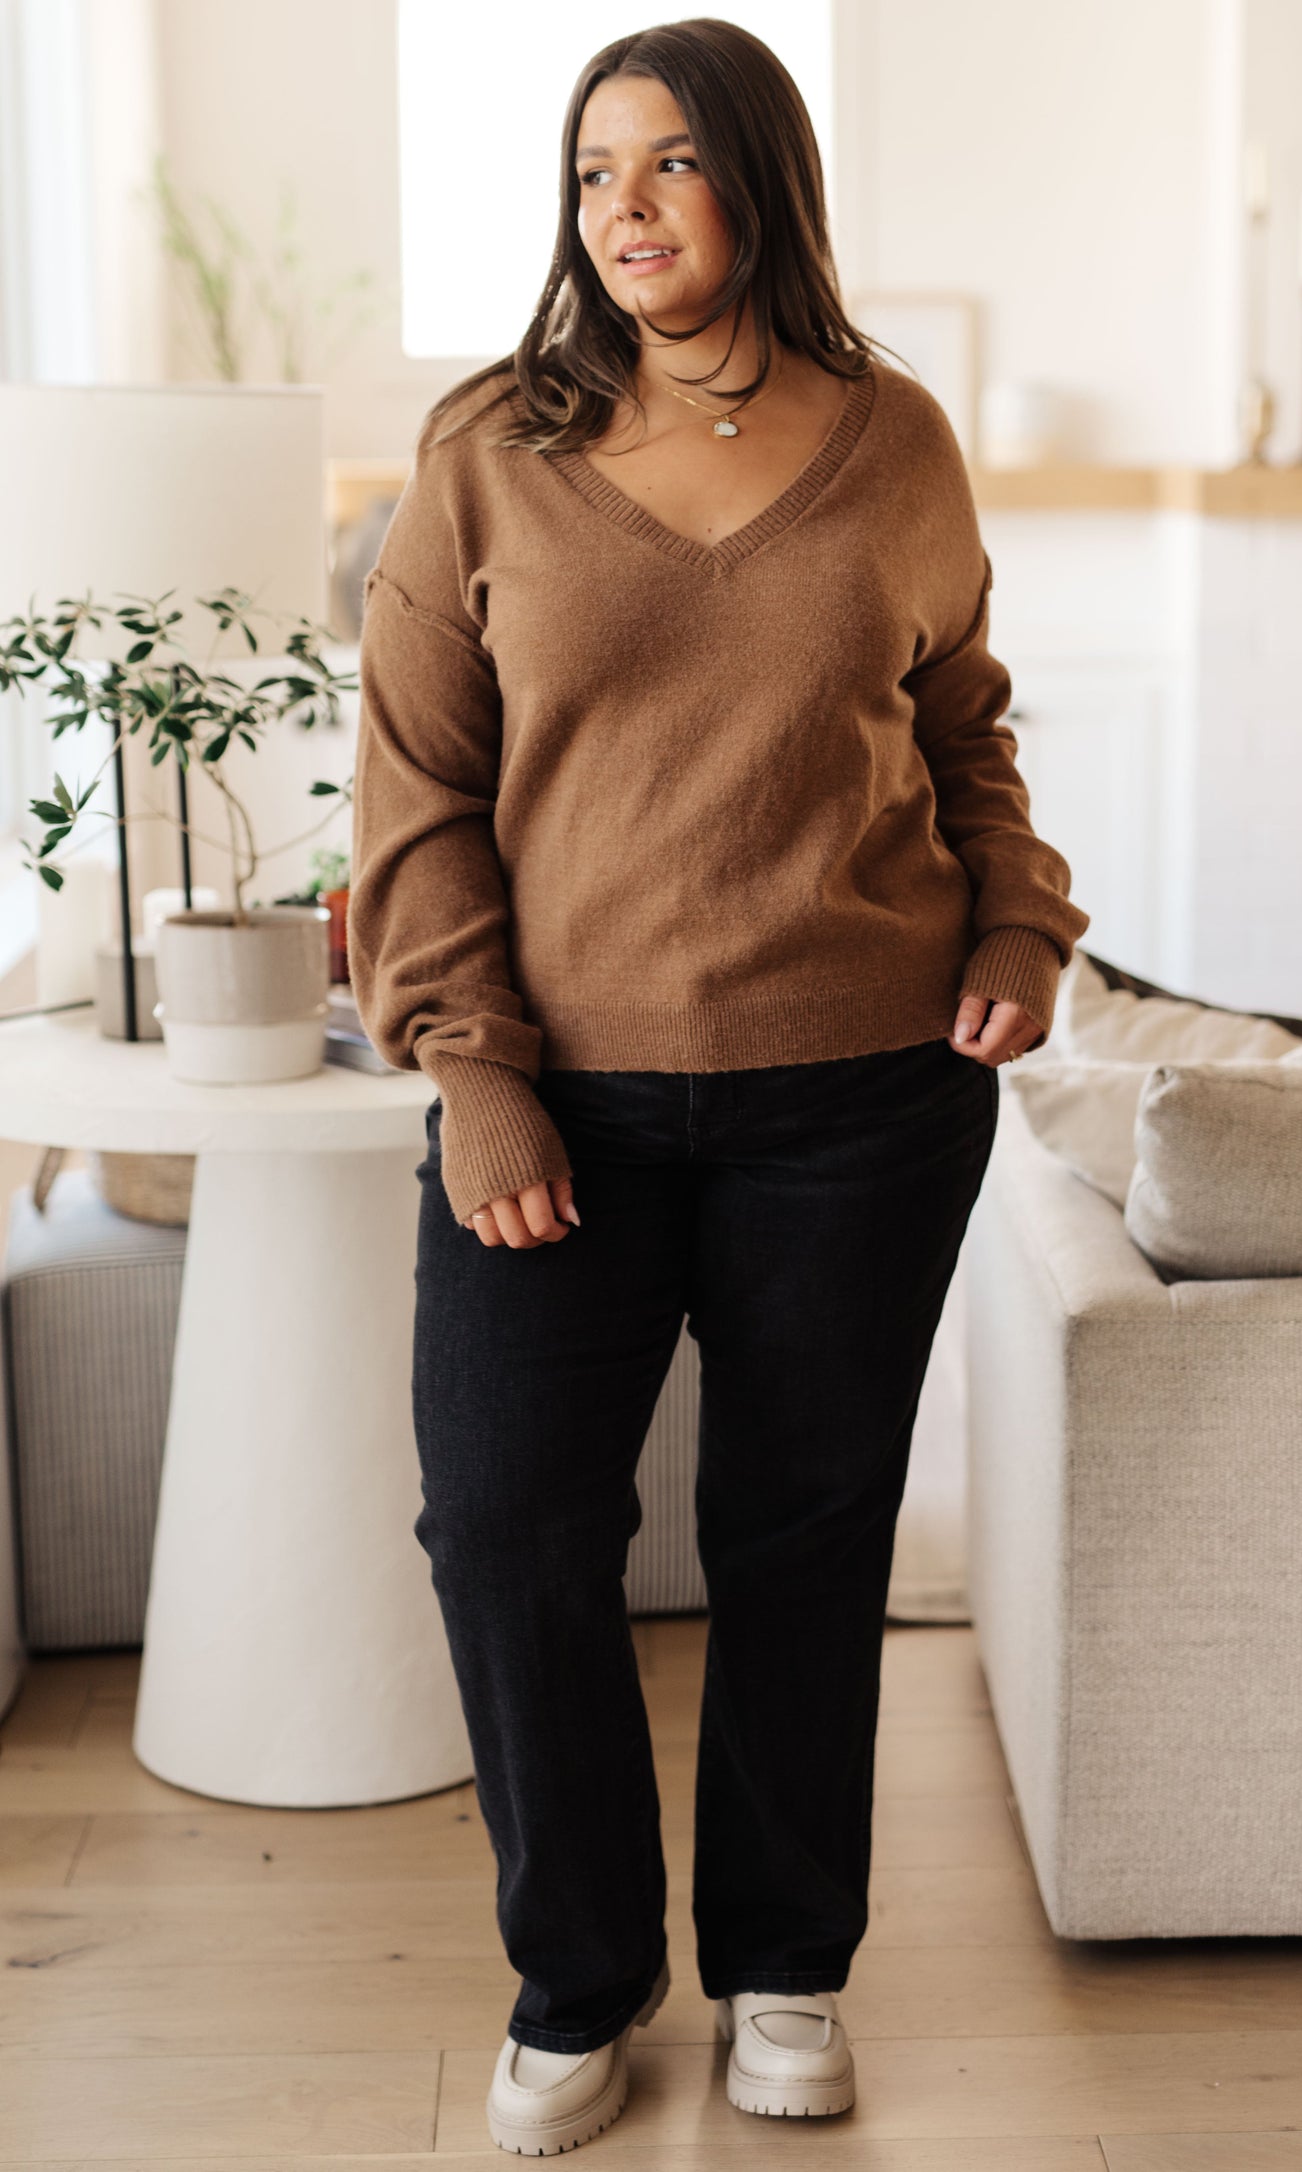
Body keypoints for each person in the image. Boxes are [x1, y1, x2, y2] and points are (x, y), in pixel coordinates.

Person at [347, 17, 1089, 2156]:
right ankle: (579, 1981)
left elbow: (965, 731)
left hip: (859, 1090)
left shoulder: (898, 439)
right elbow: (417, 800)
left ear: (762, 182)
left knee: (800, 1532)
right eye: (596, 175)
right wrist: (470, 1072)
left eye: (671, 164)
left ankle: (786, 1969)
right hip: (554, 1105)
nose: (629, 209)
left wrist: (1023, 928)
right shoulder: (488, 445)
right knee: (505, 1527)